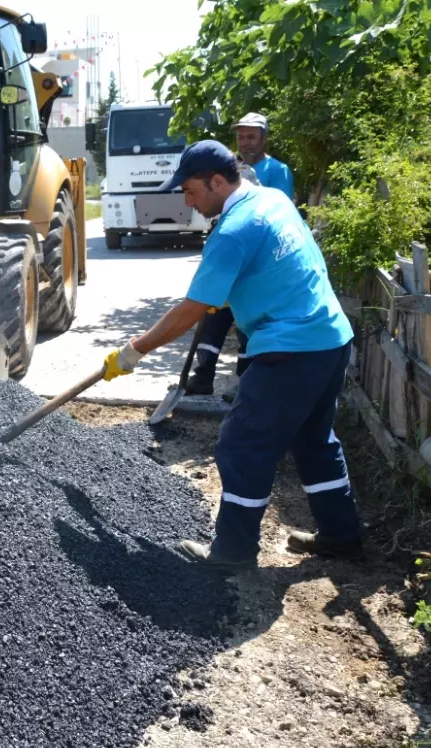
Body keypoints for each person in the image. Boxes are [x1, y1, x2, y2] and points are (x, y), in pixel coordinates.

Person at [102, 140, 362, 568]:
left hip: (289, 349)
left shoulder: (232, 231)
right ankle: (342, 536)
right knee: (315, 439)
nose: (187, 201)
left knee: (242, 446)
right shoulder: (272, 200)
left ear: (217, 181)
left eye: (190, 191)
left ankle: (233, 553)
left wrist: (133, 351)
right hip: (331, 337)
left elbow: (190, 311)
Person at [187, 113, 295, 396]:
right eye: (241, 136)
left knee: (249, 323)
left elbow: (272, 217)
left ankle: (247, 383)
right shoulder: (231, 168)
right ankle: (203, 375)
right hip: (229, 255)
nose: (245, 142)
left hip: (256, 262)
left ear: (264, 139)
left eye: (251, 137)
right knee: (213, 317)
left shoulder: (277, 171)